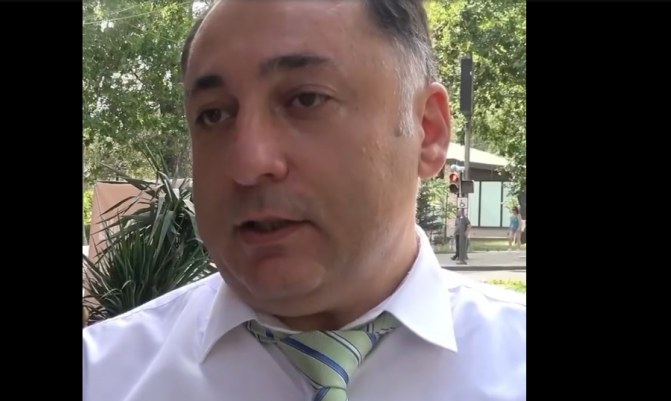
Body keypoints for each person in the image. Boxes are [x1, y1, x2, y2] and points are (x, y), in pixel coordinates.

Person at [82, 1, 526, 400]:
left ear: (427, 132)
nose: (249, 162)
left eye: (306, 99)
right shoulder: (102, 378)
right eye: (214, 115)